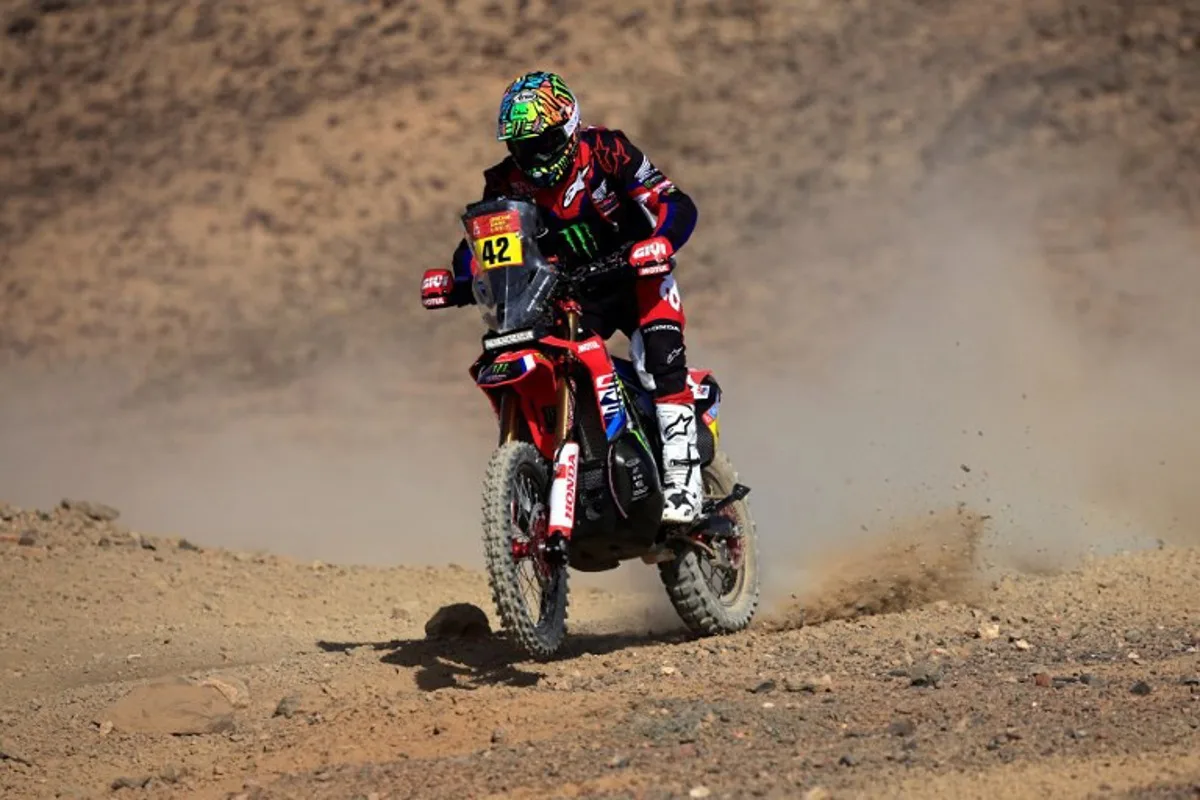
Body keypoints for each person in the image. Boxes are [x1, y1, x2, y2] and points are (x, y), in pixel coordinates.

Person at [421, 70, 704, 524]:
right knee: (549, 359)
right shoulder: (507, 183)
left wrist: (662, 241)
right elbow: (483, 246)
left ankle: (682, 483)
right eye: (521, 146)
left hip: (636, 276)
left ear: (568, 126)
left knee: (659, 360)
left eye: (541, 142)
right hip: (570, 292)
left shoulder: (607, 150)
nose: (530, 157)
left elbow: (674, 200)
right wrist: (457, 281)